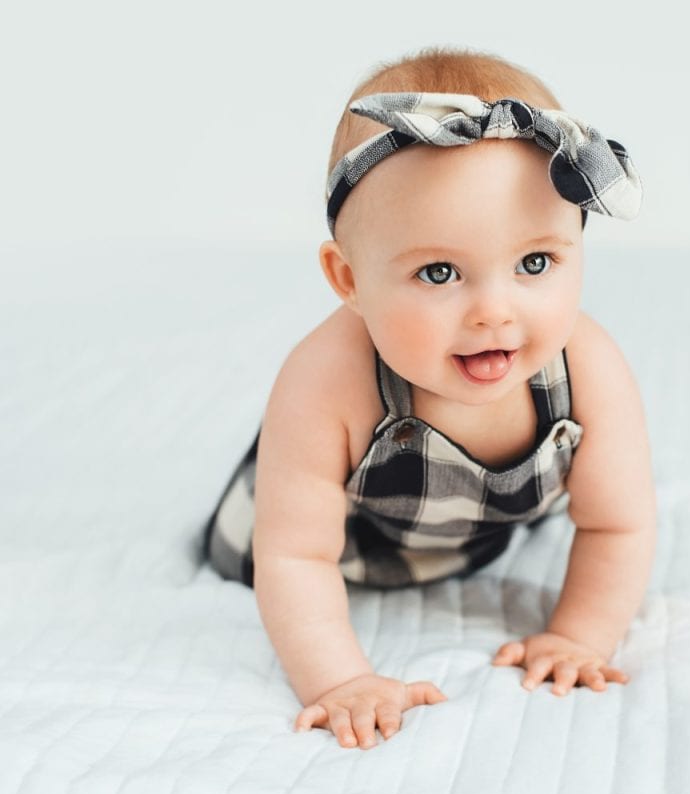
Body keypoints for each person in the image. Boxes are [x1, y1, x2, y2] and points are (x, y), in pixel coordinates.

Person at [202, 45, 656, 750]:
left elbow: (617, 525)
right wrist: (339, 680)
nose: (494, 311)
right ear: (348, 279)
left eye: (535, 262)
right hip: (333, 541)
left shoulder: (587, 369)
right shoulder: (327, 379)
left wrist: (576, 634)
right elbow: (293, 555)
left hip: (468, 532)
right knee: (275, 541)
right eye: (440, 271)